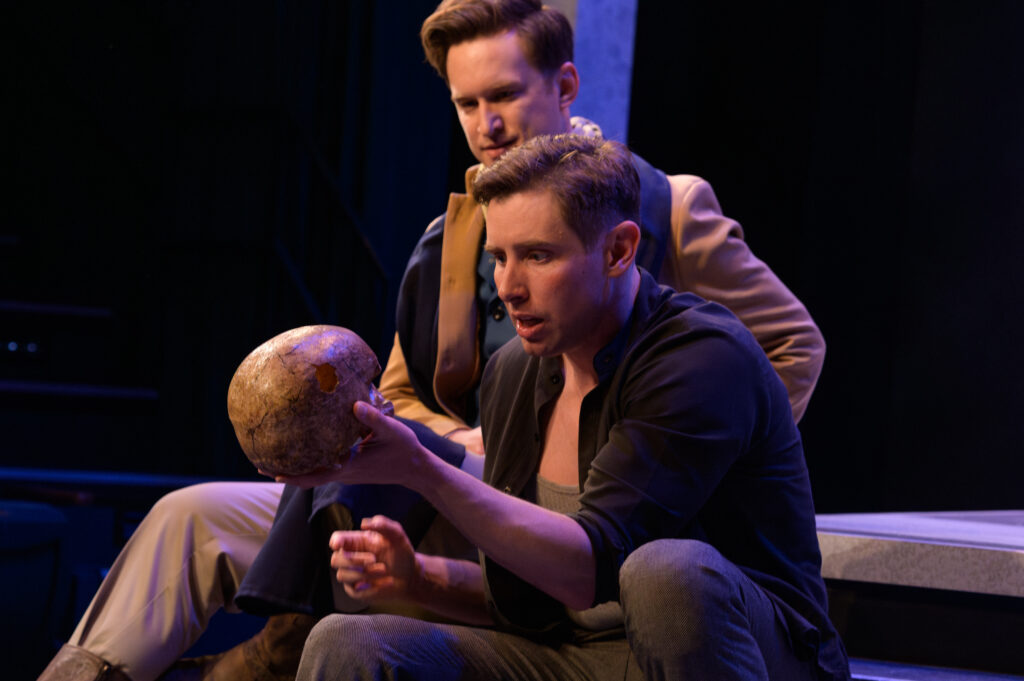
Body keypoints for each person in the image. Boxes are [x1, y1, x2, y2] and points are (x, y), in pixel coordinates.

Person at [37, 1, 825, 680]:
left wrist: (703, 455)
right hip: (500, 504)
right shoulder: (482, 298)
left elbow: (786, 350)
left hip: (647, 536)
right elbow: (413, 402)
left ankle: (264, 655)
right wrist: (419, 551)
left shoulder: (671, 239)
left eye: (506, 94)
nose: (509, 284)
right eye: (465, 102)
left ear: (565, 86)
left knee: (663, 567)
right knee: (212, 526)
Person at [287, 134, 849, 680]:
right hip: (581, 655)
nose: (508, 286)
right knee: (349, 642)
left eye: (537, 255)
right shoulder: (514, 372)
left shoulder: (701, 359)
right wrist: (419, 579)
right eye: (499, 258)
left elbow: (591, 569)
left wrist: (418, 468)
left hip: (743, 652)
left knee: (665, 574)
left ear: (618, 251)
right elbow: (537, 600)